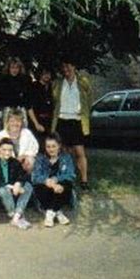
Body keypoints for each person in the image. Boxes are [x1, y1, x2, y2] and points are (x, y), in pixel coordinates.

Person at [51, 60, 92, 193]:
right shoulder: (58, 83)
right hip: (62, 120)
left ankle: (84, 180)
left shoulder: (82, 82)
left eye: (69, 66)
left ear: (74, 67)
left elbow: (89, 99)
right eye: (64, 67)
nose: (66, 69)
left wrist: (83, 112)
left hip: (76, 120)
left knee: (80, 152)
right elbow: (54, 100)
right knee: (64, 152)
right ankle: (67, 177)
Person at [31, 133, 76, 227]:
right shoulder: (40, 158)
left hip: (59, 186)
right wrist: (47, 181)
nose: (51, 149)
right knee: (40, 187)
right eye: (48, 147)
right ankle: (58, 211)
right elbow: (35, 176)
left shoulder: (66, 157)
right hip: (46, 186)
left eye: (53, 146)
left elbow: (70, 174)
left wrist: (56, 179)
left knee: (66, 185)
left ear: (59, 146)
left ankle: (50, 213)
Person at [0, 138, 33, 230]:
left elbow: (22, 175)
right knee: (3, 190)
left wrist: (18, 183)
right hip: (1, 192)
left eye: (10, 150)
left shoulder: (15, 162)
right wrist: (12, 187)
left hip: (14, 191)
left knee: (28, 186)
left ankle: (17, 216)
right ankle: (13, 214)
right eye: (4, 150)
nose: (7, 153)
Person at [0, 108, 39, 173]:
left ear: (22, 122)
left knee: (31, 160)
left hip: (24, 162)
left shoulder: (27, 133)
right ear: (7, 122)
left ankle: (28, 180)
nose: (15, 123)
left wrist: (24, 156)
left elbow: (35, 148)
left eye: (18, 121)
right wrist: (13, 160)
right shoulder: (1, 135)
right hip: (7, 162)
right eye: (12, 121)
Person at [0, 57, 32, 127]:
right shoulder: (2, 80)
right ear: (8, 68)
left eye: (17, 68)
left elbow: (27, 98)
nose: (14, 70)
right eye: (12, 67)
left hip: (20, 109)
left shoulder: (25, 80)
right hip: (7, 109)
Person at [28, 66, 54, 143]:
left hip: (49, 122)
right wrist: (36, 124)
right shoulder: (33, 86)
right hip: (37, 121)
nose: (46, 76)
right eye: (44, 74)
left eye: (48, 74)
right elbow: (29, 107)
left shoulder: (52, 87)